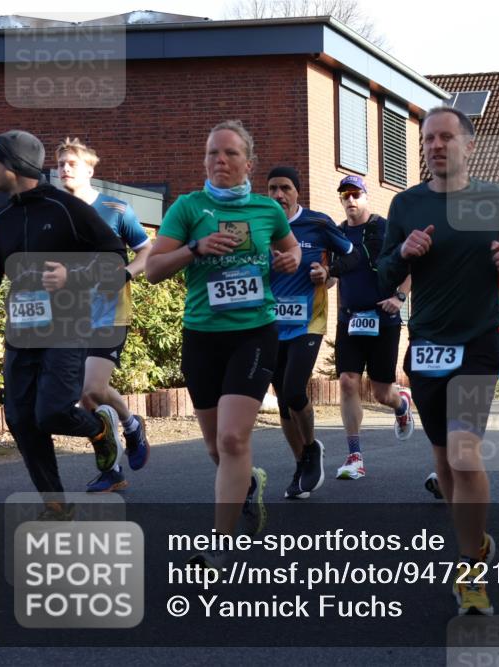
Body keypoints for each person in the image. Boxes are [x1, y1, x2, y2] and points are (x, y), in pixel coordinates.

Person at [377, 106, 499, 616]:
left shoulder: (495, 199)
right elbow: (382, 273)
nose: (435, 146)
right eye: (427, 139)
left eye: (445, 137)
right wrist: (405, 252)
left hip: (479, 342)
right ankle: (477, 542)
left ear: (468, 145)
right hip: (425, 346)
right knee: (444, 462)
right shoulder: (406, 204)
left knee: (466, 455)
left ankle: (471, 573)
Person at [146, 120, 301, 568]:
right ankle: (247, 483)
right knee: (216, 447)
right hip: (202, 337)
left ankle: (222, 541)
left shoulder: (267, 210)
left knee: (234, 439)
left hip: (254, 332)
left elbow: (291, 254)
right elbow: (154, 270)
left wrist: (290, 258)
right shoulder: (188, 208)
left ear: (247, 162)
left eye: (230, 153)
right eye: (213, 152)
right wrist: (194, 248)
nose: (220, 160)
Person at [0, 129, 127, 518]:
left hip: (69, 325)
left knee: (52, 412)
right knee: (21, 419)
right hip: (21, 332)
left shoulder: (66, 208)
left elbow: (114, 256)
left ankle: (98, 428)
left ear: (12, 163)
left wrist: (71, 275)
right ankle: (55, 502)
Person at [55, 137, 152, 493]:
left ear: (90, 170)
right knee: (88, 398)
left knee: (90, 388)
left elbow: (147, 251)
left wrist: (125, 273)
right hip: (69, 316)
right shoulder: (56, 211)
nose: (64, 168)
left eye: (72, 163)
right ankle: (114, 464)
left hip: (109, 312)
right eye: (61, 163)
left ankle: (130, 427)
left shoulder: (116, 208)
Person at [264, 166, 355, 498]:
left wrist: (327, 272)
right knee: (284, 401)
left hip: (309, 321)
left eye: (285, 188)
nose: (278, 195)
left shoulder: (317, 224)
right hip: (270, 324)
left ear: (297, 192)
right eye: (272, 188)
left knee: (292, 391)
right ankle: (302, 461)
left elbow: (353, 256)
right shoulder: (259, 226)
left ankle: (312, 448)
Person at [330, 174, 415, 487]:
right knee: (348, 382)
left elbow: (410, 268)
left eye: (355, 194)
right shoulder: (336, 235)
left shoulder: (384, 229)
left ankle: (401, 404)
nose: (350, 200)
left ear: (366, 197)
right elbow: (331, 276)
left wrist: (400, 297)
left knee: (381, 392)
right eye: (345, 196)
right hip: (349, 319)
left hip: (384, 319)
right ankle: (355, 456)